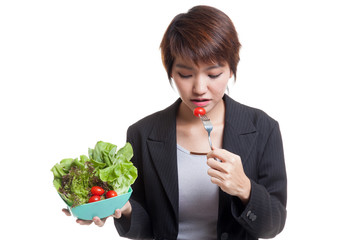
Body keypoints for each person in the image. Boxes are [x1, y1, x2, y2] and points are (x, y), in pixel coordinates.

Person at [63, 5, 287, 240]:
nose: (200, 89)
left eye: (213, 75)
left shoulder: (262, 127)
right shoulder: (142, 133)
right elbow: (146, 225)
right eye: (186, 75)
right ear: (170, 71)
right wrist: (123, 208)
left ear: (231, 69)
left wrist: (245, 189)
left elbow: (273, 225)